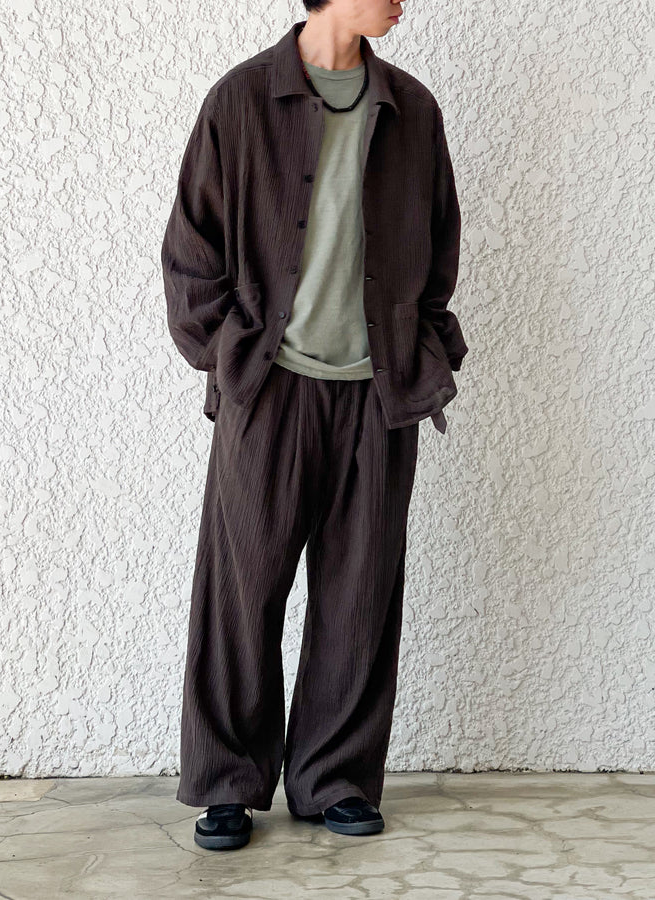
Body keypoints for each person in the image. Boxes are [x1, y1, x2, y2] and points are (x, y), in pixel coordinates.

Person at [161, 0, 469, 851]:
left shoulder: (412, 109)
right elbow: (191, 255)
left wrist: (426, 345)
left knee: (360, 595)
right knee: (241, 593)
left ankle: (336, 778)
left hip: (379, 393)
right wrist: (231, 354)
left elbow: (439, 247)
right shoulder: (240, 101)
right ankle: (228, 782)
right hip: (270, 392)